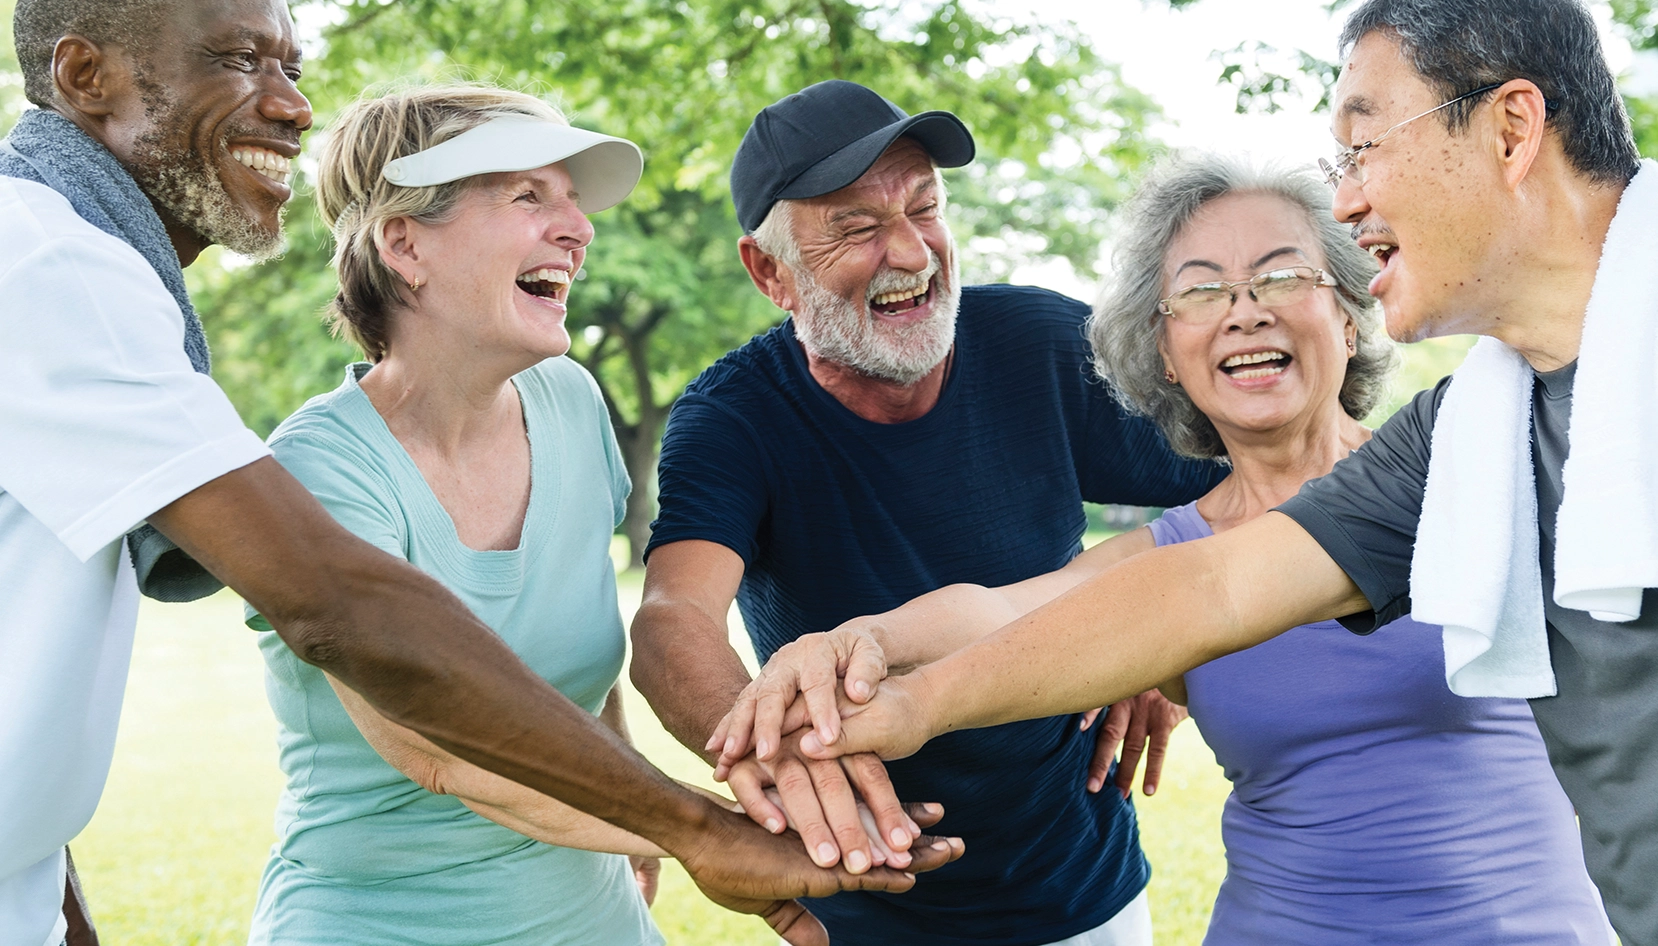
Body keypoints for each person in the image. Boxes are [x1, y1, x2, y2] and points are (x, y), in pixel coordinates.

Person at [0, 3, 952, 944]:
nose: (578, 227)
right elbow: (419, 725)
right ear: (403, 246)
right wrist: (711, 831)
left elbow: (574, 664)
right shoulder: (91, 294)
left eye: (571, 197)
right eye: (529, 196)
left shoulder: (572, 408)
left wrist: (53, 906)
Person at [727, 2, 1658, 943]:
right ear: (1163, 350)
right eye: (1203, 292)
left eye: (1366, 146)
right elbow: (1195, 589)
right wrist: (886, 671)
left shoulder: (1508, 436)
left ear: (1510, 129)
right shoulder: (1468, 437)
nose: (1349, 200)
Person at [630, 79, 1225, 946]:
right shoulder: (731, 418)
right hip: (862, 895)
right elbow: (672, 616)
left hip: (1083, 884)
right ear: (771, 273)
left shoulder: (1045, 345)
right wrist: (779, 750)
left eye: (925, 208)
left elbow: (1254, 479)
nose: (910, 252)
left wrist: (1161, 639)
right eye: (858, 228)